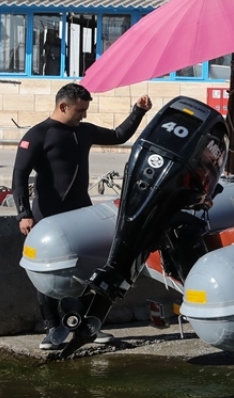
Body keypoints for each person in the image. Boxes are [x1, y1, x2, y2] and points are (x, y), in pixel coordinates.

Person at [13, 83, 152, 351]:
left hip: (80, 212)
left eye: (85, 110)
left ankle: (87, 324)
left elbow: (118, 135)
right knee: (47, 271)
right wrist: (24, 214)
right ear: (63, 106)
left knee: (91, 269)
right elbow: (19, 175)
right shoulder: (39, 134)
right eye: (80, 110)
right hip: (48, 214)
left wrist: (138, 111)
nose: (84, 115)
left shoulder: (84, 131)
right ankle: (53, 328)